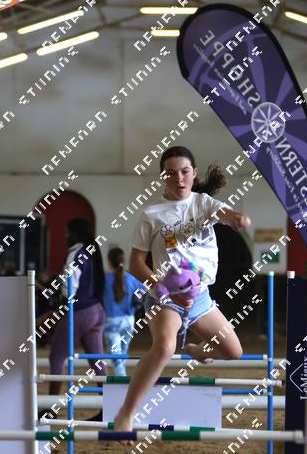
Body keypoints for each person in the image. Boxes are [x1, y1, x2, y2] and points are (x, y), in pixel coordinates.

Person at [113, 146, 251, 434]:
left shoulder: (204, 203)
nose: (179, 178)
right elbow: (136, 263)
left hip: (200, 297)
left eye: (185, 171)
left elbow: (225, 213)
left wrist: (237, 218)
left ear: (194, 173)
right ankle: (126, 414)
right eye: (171, 173)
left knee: (234, 351)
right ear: (163, 176)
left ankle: (198, 350)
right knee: (165, 347)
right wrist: (163, 290)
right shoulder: (151, 213)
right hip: (166, 299)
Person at [44, 219, 107, 414]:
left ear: (75, 234)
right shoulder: (91, 251)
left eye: (67, 233)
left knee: (56, 357)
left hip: (80, 311)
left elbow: (69, 288)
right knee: (97, 361)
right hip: (97, 310)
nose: (65, 237)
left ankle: (51, 408)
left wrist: (59, 308)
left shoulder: (75, 253)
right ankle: (107, 407)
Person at [103, 247, 145, 376]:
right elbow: (145, 289)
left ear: (109, 261)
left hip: (111, 321)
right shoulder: (131, 278)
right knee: (122, 353)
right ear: (123, 261)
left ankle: (122, 379)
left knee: (116, 357)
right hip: (129, 321)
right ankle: (121, 378)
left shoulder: (104, 279)